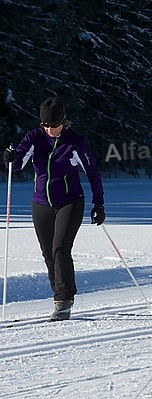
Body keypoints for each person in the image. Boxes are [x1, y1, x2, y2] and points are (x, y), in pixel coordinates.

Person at [3, 96, 105, 321]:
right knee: (48, 252)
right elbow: (17, 165)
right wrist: (9, 158)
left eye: (54, 125)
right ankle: (58, 293)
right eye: (46, 125)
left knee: (60, 248)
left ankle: (64, 300)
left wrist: (99, 203)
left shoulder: (75, 142)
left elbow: (92, 173)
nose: (50, 130)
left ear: (64, 121)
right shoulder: (34, 137)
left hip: (70, 201)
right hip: (41, 204)